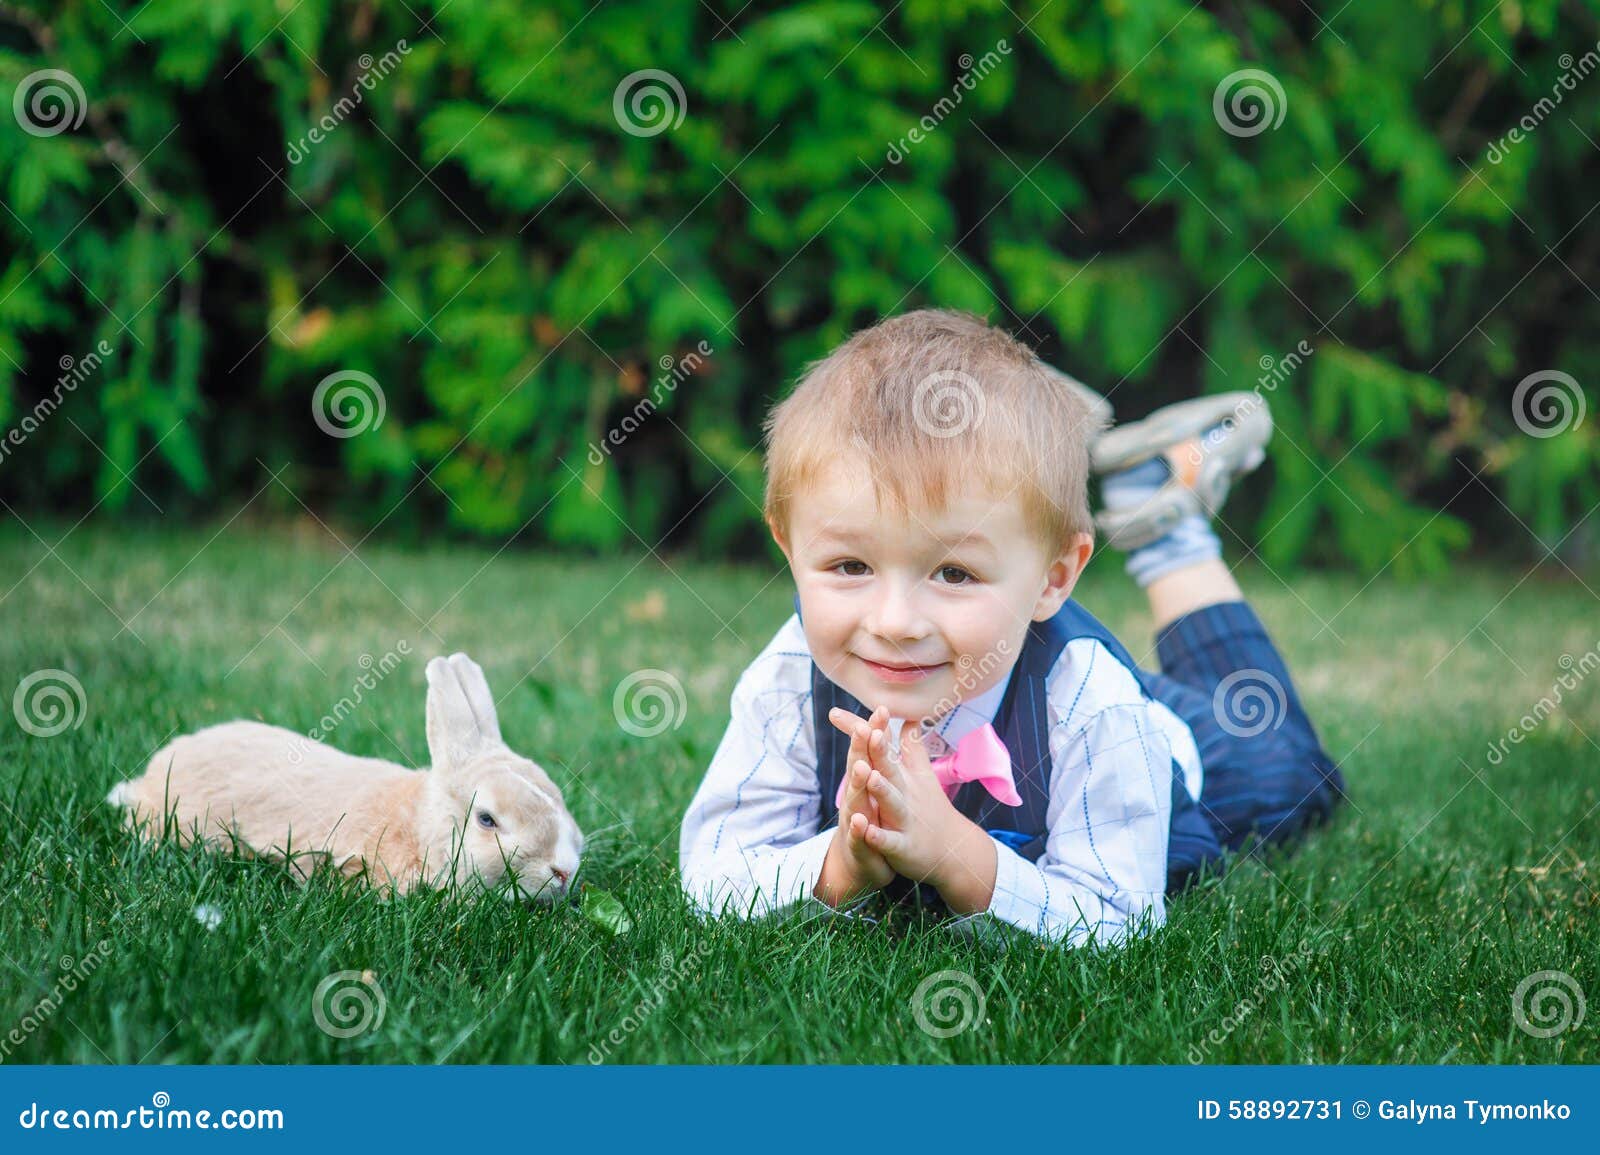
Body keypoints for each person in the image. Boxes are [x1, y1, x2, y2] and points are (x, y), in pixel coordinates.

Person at [678, 309, 1345, 946]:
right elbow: (713, 873)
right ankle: (1110, 470)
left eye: (955, 573)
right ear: (789, 548)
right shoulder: (791, 677)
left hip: (1169, 750)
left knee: (1298, 777)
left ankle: (1166, 529)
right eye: (850, 564)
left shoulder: (1096, 706)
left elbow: (1118, 919)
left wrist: (961, 856)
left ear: (1055, 578)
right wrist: (839, 866)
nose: (895, 622)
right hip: (1033, 671)